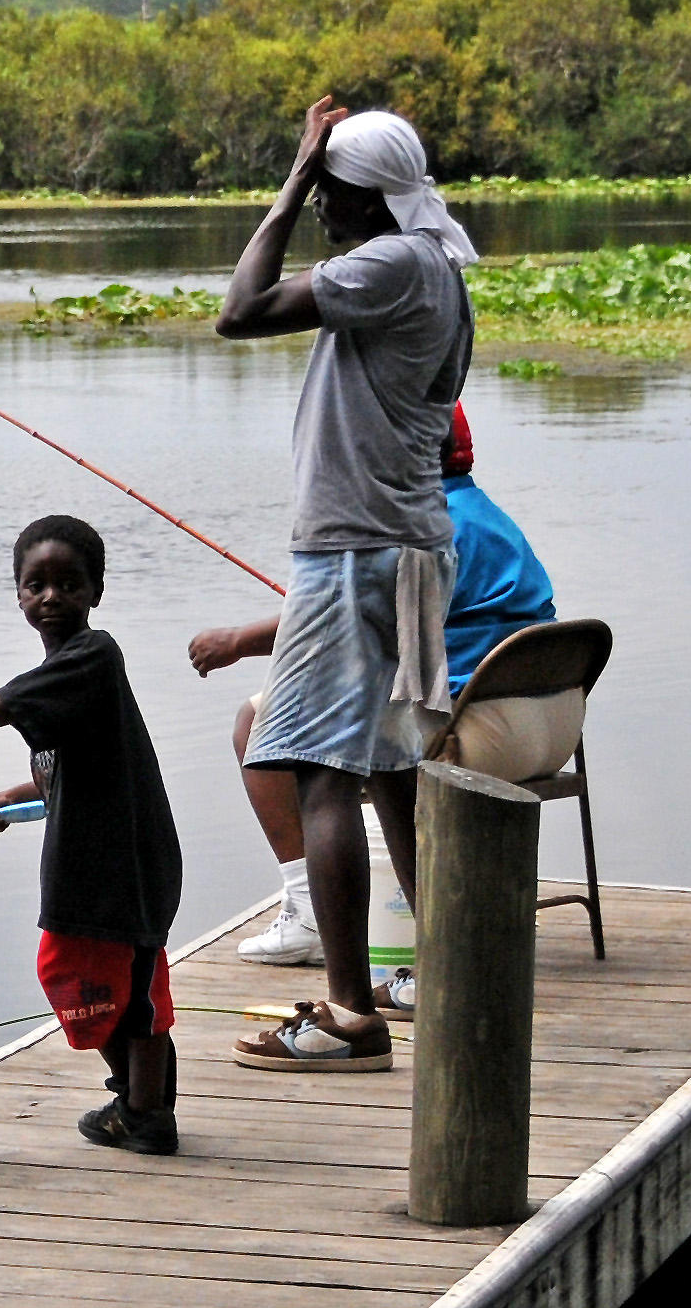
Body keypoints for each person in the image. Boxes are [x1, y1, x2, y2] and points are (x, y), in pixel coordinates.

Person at [207, 98, 477, 1070]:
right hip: (411, 548)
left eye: (329, 192)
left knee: (322, 773)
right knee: (399, 768)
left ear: (358, 196)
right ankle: (438, 969)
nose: (320, 206)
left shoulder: (391, 261)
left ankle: (349, 1012)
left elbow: (238, 312)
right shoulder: (438, 268)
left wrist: (285, 183)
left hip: (355, 550)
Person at [197, 405, 555, 968]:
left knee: (258, 724)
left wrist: (239, 640)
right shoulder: (485, 514)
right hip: (543, 727)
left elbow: (337, 622)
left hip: (464, 728)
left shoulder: (421, 530)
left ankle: (312, 910)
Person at [0, 512, 188, 1155]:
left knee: (138, 991)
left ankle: (147, 1115)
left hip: (129, 861)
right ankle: (138, 1095)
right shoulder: (65, 672)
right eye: (35, 584)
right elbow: (73, 757)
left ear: (95, 591)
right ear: (17, 593)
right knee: (81, 977)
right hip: (86, 863)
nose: (51, 597)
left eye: (68, 583)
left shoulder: (94, 654)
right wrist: (18, 794)